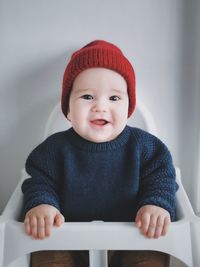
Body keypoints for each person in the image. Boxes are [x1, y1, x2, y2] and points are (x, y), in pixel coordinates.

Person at [22, 40, 178, 267]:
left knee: (151, 253)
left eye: (114, 98)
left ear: (128, 108)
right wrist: (42, 205)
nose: (100, 107)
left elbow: (162, 178)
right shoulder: (53, 150)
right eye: (87, 97)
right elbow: (39, 182)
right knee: (47, 251)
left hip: (134, 239)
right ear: (68, 109)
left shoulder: (146, 147)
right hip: (67, 241)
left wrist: (156, 204)